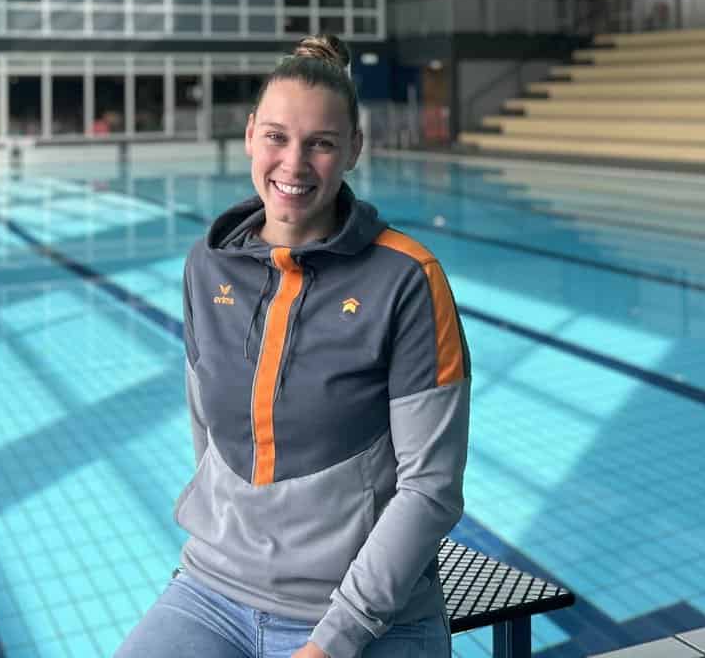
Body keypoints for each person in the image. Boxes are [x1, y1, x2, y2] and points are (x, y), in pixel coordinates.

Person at [117, 36, 470, 658]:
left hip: (366, 616)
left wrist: (335, 639)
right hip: (214, 592)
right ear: (251, 135)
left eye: (321, 144)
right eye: (277, 137)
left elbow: (431, 488)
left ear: (354, 149)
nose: (294, 163)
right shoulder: (208, 266)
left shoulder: (407, 280)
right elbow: (208, 434)